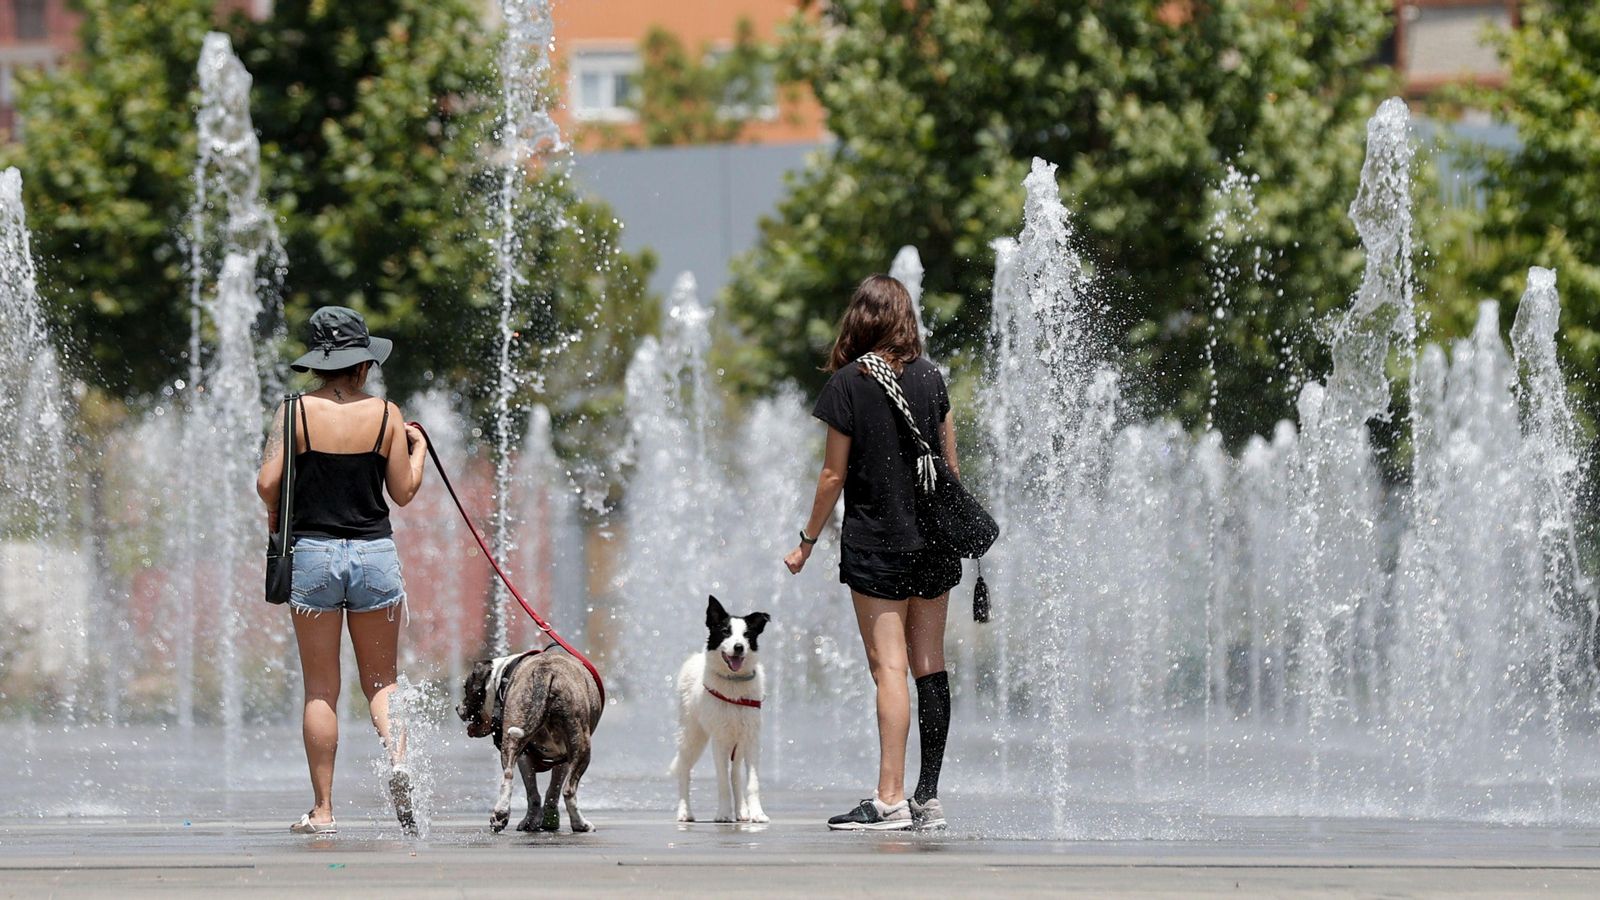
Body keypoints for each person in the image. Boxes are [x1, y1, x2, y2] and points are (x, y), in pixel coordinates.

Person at [784, 275, 959, 832]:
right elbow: (951, 469)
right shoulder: (933, 378)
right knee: (928, 666)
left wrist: (806, 541)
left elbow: (833, 474)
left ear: (860, 319)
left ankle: (888, 800)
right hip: (934, 541)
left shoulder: (849, 382)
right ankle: (926, 798)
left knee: (889, 669)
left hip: (878, 545)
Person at [256, 306, 428, 835]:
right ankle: (398, 761)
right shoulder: (386, 415)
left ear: (317, 364)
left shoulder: (294, 412)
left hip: (312, 555)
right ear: (361, 365)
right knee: (382, 682)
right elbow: (402, 491)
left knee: (320, 690)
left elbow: (267, 485)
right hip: (374, 554)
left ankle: (324, 811)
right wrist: (416, 449)